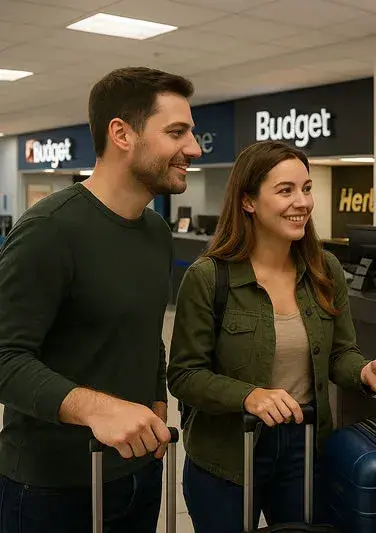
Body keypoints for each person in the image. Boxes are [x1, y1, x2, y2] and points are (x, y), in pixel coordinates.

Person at [167, 140, 376, 532]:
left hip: (305, 447)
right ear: (248, 201)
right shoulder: (210, 276)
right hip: (229, 451)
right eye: (286, 190)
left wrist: (364, 372)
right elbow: (184, 375)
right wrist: (249, 395)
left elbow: (340, 353)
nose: (303, 202)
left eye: (307, 188)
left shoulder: (324, 269)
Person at [0, 66, 202, 533]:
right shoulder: (50, 230)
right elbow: (6, 357)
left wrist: (155, 400)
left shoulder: (156, 231)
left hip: (137, 473)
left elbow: (145, 331)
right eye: (177, 132)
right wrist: (98, 409)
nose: (193, 148)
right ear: (121, 134)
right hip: (50, 490)